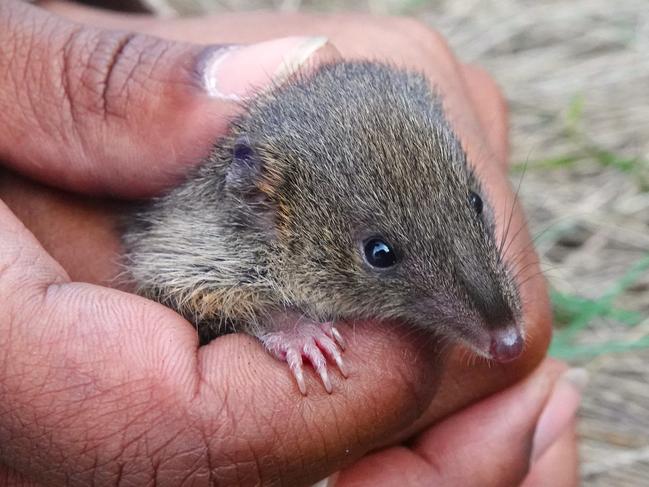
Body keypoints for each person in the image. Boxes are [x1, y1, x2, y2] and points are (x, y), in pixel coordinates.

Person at [0, 1, 582, 484]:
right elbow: (165, 273)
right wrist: (277, 323)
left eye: (473, 206)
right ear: (264, 202)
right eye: (380, 255)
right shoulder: (250, 206)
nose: (506, 335)